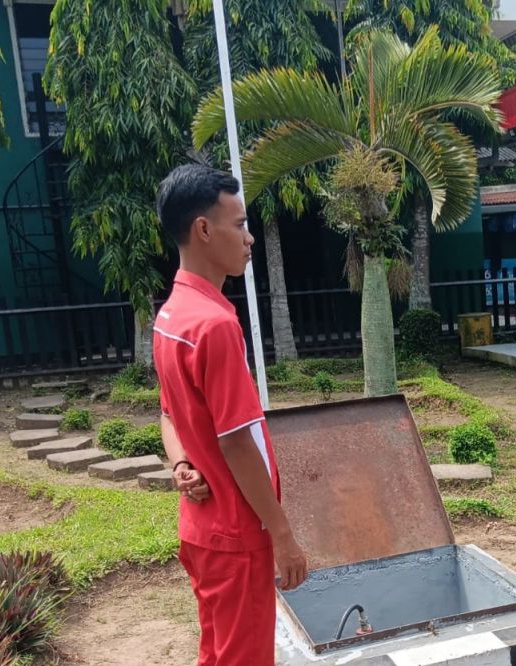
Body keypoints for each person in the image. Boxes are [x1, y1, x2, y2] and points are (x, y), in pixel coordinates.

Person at [152, 164, 307, 665]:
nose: (249, 237)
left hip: (202, 529)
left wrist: (181, 463)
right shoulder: (214, 325)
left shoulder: (171, 315)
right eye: (239, 224)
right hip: (238, 533)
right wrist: (281, 534)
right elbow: (236, 440)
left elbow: (169, 413)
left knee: (217, 654)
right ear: (203, 229)